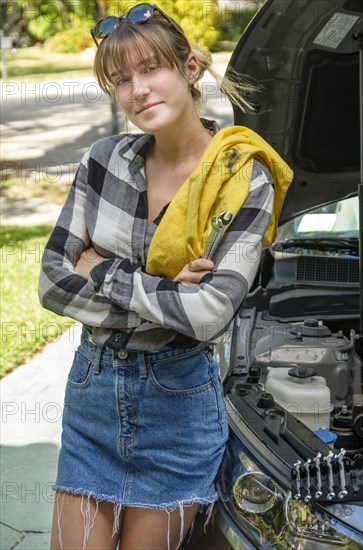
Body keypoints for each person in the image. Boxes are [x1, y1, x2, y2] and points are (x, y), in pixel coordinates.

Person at [38, 3, 293, 549]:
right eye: (121, 79)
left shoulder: (243, 179)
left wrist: (101, 267)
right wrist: (165, 291)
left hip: (178, 406)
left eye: (151, 68)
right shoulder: (103, 161)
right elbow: (53, 281)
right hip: (93, 395)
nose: (137, 90)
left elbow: (207, 315)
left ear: (190, 69)